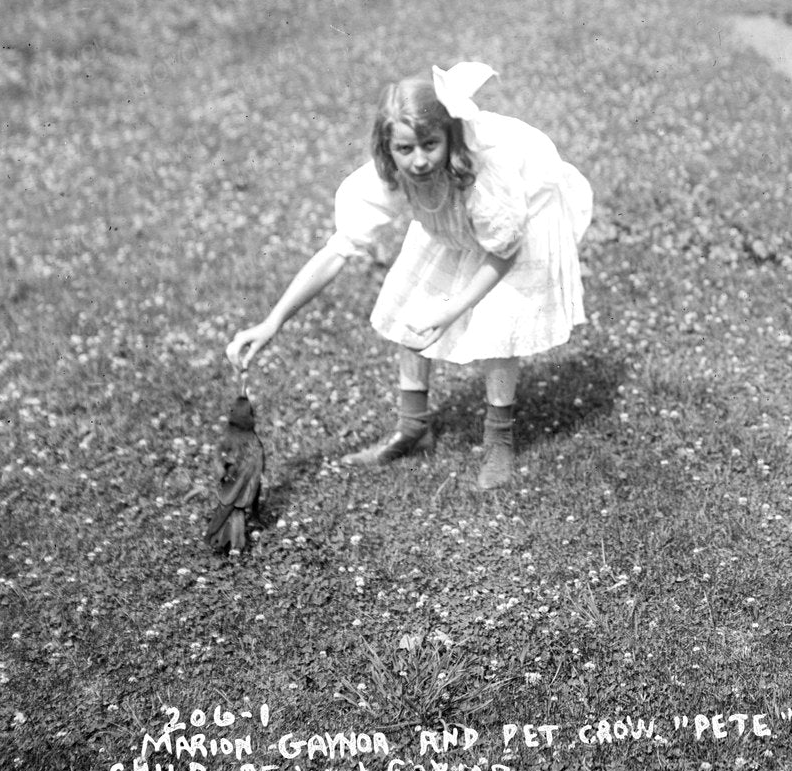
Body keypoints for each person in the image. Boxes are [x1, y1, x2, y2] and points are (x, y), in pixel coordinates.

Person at [226, 62, 591, 490]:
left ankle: (499, 438)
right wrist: (272, 321)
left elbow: (503, 253)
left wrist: (453, 310)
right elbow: (337, 252)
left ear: (449, 138)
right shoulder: (387, 178)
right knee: (413, 297)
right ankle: (413, 426)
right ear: (387, 148)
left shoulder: (480, 180)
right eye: (404, 149)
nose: (418, 161)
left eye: (430, 144)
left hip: (512, 225)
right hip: (449, 223)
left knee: (499, 324)